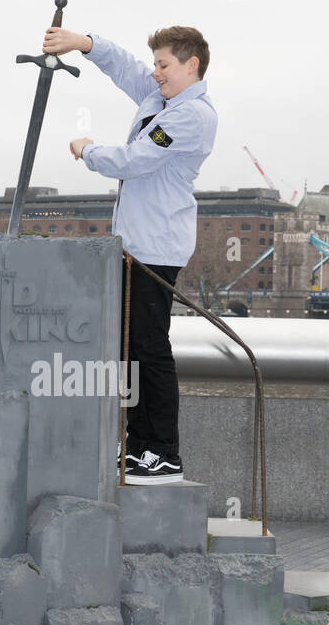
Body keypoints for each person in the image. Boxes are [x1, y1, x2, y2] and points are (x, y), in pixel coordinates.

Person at [43, 24, 217, 484]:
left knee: (149, 348)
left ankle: (161, 452)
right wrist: (85, 44)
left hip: (155, 247)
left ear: (190, 64)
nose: (155, 73)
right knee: (133, 348)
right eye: (156, 64)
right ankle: (139, 445)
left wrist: (88, 149)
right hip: (136, 244)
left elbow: (135, 159)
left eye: (164, 65)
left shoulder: (189, 117)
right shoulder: (161, 98)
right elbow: (124, 66)